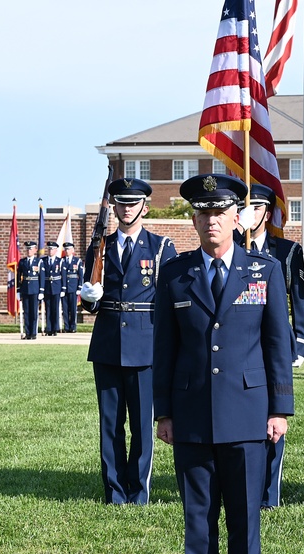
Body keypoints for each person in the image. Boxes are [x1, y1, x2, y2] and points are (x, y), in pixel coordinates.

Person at [153, 174, 294, 554]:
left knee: (244, 520)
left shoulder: (264, 271)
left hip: (248, 412)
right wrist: (164, 412)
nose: (211, 220)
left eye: (220, 212)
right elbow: (164, 348)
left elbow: (277, 344)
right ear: (193, 219)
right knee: (198, 520)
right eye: (203, 212)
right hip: (192, 414)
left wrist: (279, 409)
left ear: (238, 218)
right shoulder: (175, 274)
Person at [80, 177, 177, 505]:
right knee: (110, 424)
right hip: (108, 343)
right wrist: (89, 298)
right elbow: (90, 299)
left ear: (145, 208)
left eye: (132, 203)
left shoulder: (161, 248)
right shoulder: (99, 247)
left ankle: (138, 491)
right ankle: (114, 491)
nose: (126, 209)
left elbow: (169, 301)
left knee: (142, 424)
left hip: (144, 345)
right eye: (121, 203)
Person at [241, 184, 304, 509]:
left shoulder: (286, 251)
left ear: (267, 213)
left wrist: (299, 343)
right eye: (245, 206)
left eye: (256, 207)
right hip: (241, 348)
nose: (249, 213)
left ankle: (270, 494)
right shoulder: (232, 251)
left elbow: (299, 299)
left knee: (274, 416)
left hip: (275, 346)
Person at [17, 241, 44, 339]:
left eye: (31, 249)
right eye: (27, 249)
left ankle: (33, 333)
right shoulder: (22, 262)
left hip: (35, 289)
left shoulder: (39, 262)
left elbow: (41, 276)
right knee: (27, 312)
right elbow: (19, 276)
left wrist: (41, 291)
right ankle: (28, 333)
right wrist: (18, 290)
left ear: (35, 250)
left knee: (34, 312)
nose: (29, 251)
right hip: (25, 289)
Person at [41, 241, 66, 336]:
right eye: (49, 249)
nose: (50, 251)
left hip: (56, 287)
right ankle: (48, 328)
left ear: (56, 250)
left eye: (52, 249)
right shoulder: (43, 261)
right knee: (48, 308)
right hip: (47, 287)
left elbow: (63, 275)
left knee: (55, 308)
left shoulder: (60, 261)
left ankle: (55, 328)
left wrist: (63, 288)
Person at [62, 242, 84, 332]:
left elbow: (81, 275)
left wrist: (79, 287)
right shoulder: (62, 261)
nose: (67, 251)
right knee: (65, 309)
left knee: (73, 308)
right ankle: (66, 327)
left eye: (69, 249)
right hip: (64, 288)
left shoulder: (77, 261)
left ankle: (73, 326)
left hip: (73, 287)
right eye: (66, 249)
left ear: (72, 250)